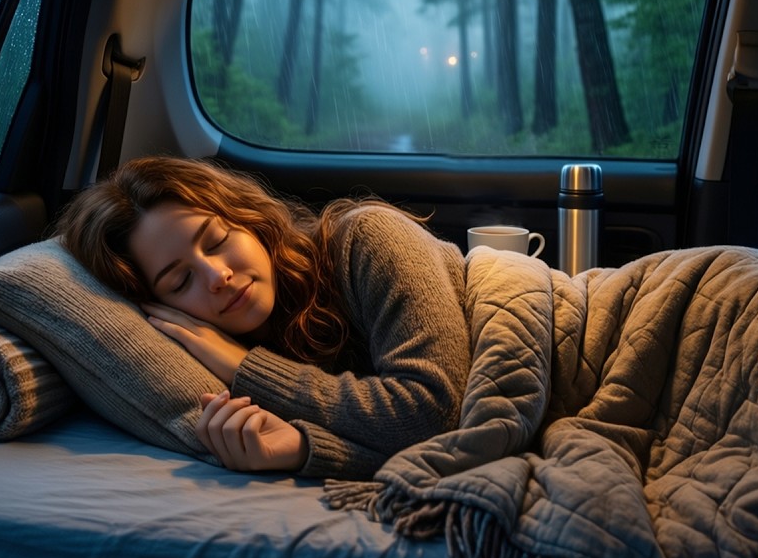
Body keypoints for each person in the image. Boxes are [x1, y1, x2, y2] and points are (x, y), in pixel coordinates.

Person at [56, 155, 472, 479]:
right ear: (161, 309)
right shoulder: (221, 353)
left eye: (217, 240)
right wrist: (302, 449)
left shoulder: (368, 238)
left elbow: (432, 415)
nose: (218, 276)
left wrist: (245, 367)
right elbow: (411, 439)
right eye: (181, 282)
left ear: (248, 220)